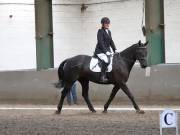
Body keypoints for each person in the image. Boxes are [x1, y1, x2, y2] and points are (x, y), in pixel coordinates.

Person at [94, 17, 117, 82]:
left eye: (108, 23)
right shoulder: (100, 31)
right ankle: (102, 76)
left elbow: (111, 41)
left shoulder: (109, 31)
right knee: (106, 60)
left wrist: (115, 50)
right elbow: (100, 42)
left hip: (107, 51)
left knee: (113, 60)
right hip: (100, 51)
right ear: (102, 24)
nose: (107, 24)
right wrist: (105, 51)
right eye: (106, 23)